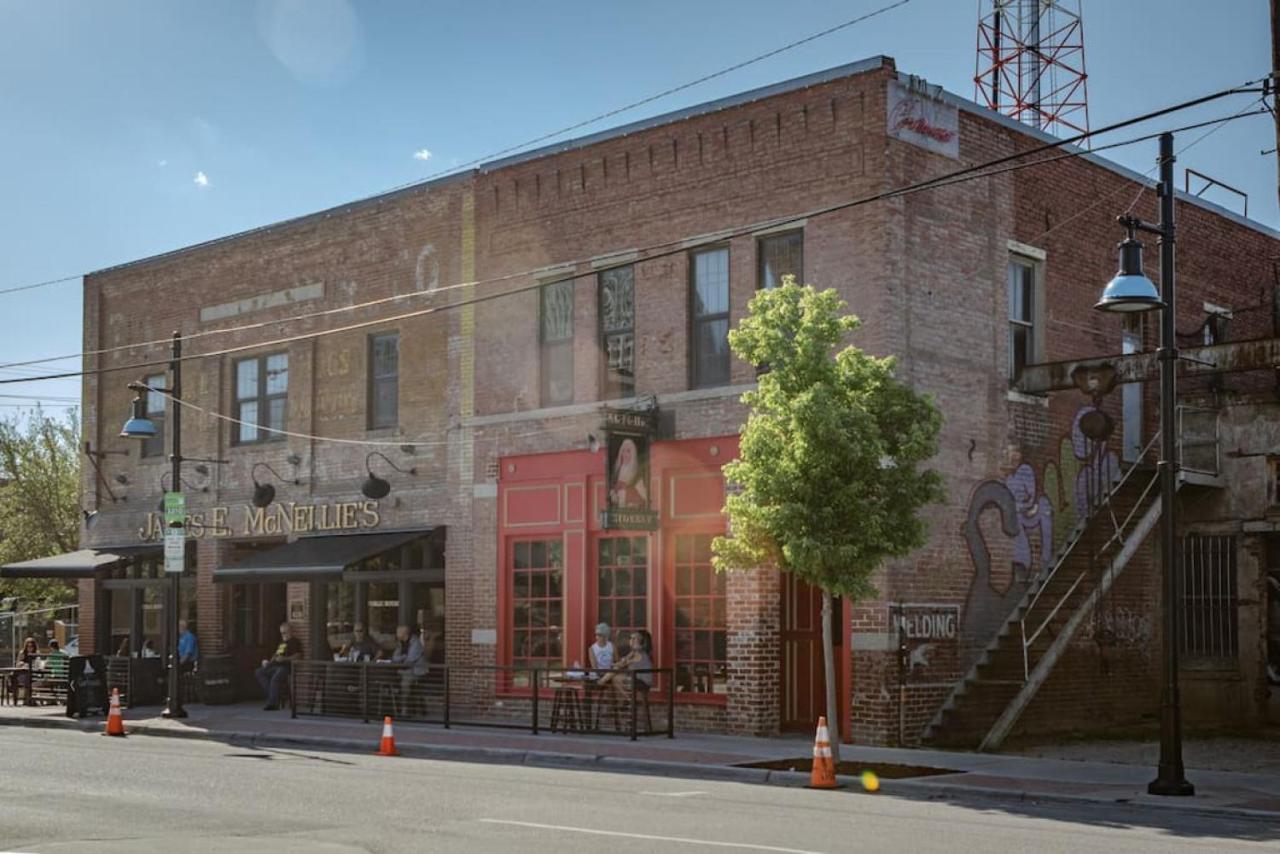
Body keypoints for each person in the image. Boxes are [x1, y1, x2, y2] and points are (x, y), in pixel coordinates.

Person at [255, 622, 303, 711]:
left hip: (286, 667)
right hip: (276, 665)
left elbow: (298, 656)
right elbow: (277, 654)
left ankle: (273, 703)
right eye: (281, 633)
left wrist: (285, 659)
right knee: (259, 672)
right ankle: (272, 696)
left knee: (275, 678)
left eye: (285, 632)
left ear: (290, 631)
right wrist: (268, 662)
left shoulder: (295, 642)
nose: (283, 635)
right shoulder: (282, 643)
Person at [389, 625, 428, 708]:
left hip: (416, 671)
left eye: (397, 633)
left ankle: (404, 709)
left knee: (405, 683)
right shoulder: (400, 643)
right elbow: (394, 657)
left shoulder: (416, 643)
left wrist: (402, 658)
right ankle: (393, 707)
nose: (396, 635)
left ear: (404, 633)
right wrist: (403, 657)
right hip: (402, 670)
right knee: (389, 679)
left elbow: (410, 660)